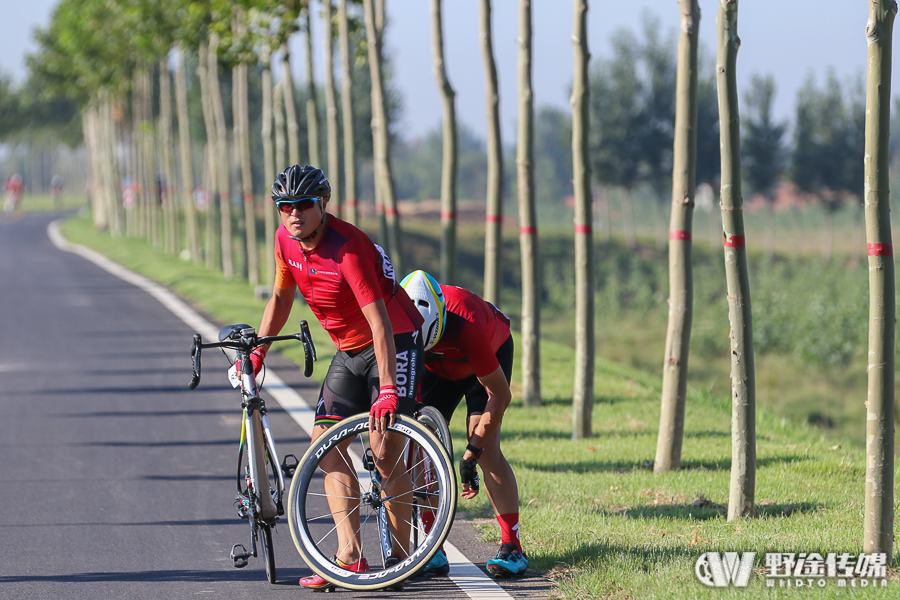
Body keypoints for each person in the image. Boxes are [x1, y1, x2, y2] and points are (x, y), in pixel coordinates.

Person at [249, 165, 424, 590]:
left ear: (322, 204)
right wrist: (259, 350)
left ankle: (399, 560)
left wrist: (385, 390)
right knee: (325, 448)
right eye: (284, 206)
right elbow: (280, 295)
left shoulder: (347, 249)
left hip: (393, 339)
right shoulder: (284, 241)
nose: (293, 214)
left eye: (303, 205)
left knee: (384, 452)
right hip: (348, 351)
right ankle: (350, 556)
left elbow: (380, 322)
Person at [400, 270, 528, 579]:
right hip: (433, 365)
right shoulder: (398, 316)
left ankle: (513, 548)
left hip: (481, 363)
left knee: (487, 451)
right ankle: (433, 547)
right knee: (418, 444)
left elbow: (500, 395)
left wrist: (472, 451)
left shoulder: (467, 324)